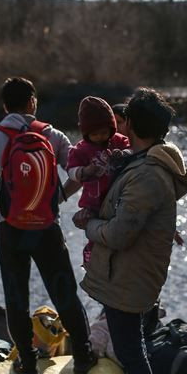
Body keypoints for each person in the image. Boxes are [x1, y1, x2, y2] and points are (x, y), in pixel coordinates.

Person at [75, 88, 187, 374]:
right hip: (126, 271)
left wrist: (89, 222)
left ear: (135, 126)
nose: (118, 127)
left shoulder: (147, 174)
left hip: (131, 273)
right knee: (131, 345)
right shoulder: (143, 162)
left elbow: (120, 234)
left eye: (124, 121)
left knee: (130, 351)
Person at [0, 76, 96, 374]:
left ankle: (27, 361)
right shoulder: (53, 136)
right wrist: (59, 196)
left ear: (4, 105)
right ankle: (84, 356)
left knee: (15, 295)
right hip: (47, 227)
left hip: (9, 230)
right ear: (33, 101)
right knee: (64, 291)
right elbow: (77, 173)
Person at [66, 96, 131, 265]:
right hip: (93, 202)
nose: (101, 137)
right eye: (94, 134)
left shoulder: (118, 141)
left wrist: (123, 154)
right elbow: (71, 171)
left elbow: (133, 150)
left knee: (116, 232)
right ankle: (92, 260)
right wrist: (84, 171)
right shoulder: (81, 150)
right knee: (95, 233)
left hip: (117, 198)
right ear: (86, 133)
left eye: (104, 132)